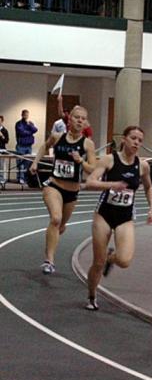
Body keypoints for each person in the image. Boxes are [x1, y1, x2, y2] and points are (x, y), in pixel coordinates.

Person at [84, 126, 152, 310]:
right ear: (124, 139)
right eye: (133, 138)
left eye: (140, 140)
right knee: (97, 263)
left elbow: (148, 187)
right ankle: (92, 296)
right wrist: (111, 185)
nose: (136, 142)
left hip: (125, 216)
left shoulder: (142, 165)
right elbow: (90, 183)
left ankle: (111, 257)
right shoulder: (109, 159)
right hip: (104, 214)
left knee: (124, 260)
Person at [29, 106, 96, 274]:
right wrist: (35, 162)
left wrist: (80, 160)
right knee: (56, 219)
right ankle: (49, 260)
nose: (80, 120)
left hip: (72, 192)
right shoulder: (57, 137)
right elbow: (44, 146)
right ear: (70, 119)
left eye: (83, 118)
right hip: (54, 186)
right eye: (77, 117)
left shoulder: (88, 144)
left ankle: (52, 241)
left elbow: (91, 169)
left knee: (61, 226)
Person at [14, 109, 37, 185]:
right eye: (25, 115)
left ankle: (26, 178)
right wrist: (30, 132)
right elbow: (21, 132)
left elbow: (35, 130)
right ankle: (20, 178)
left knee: (27, 163)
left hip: (29, 146)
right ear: (22, 115)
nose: (26, 116)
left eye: (27, 115)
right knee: (20, 163)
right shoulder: (18, 123)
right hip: (21, 146)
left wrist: (29, 125)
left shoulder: (30, 123)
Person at [0, 115, 9, 186]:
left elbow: (6, 141)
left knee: (1, 165)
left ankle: (1, 179)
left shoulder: (5, 130)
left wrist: (2, 136)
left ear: (2, 121)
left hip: (2, 149)